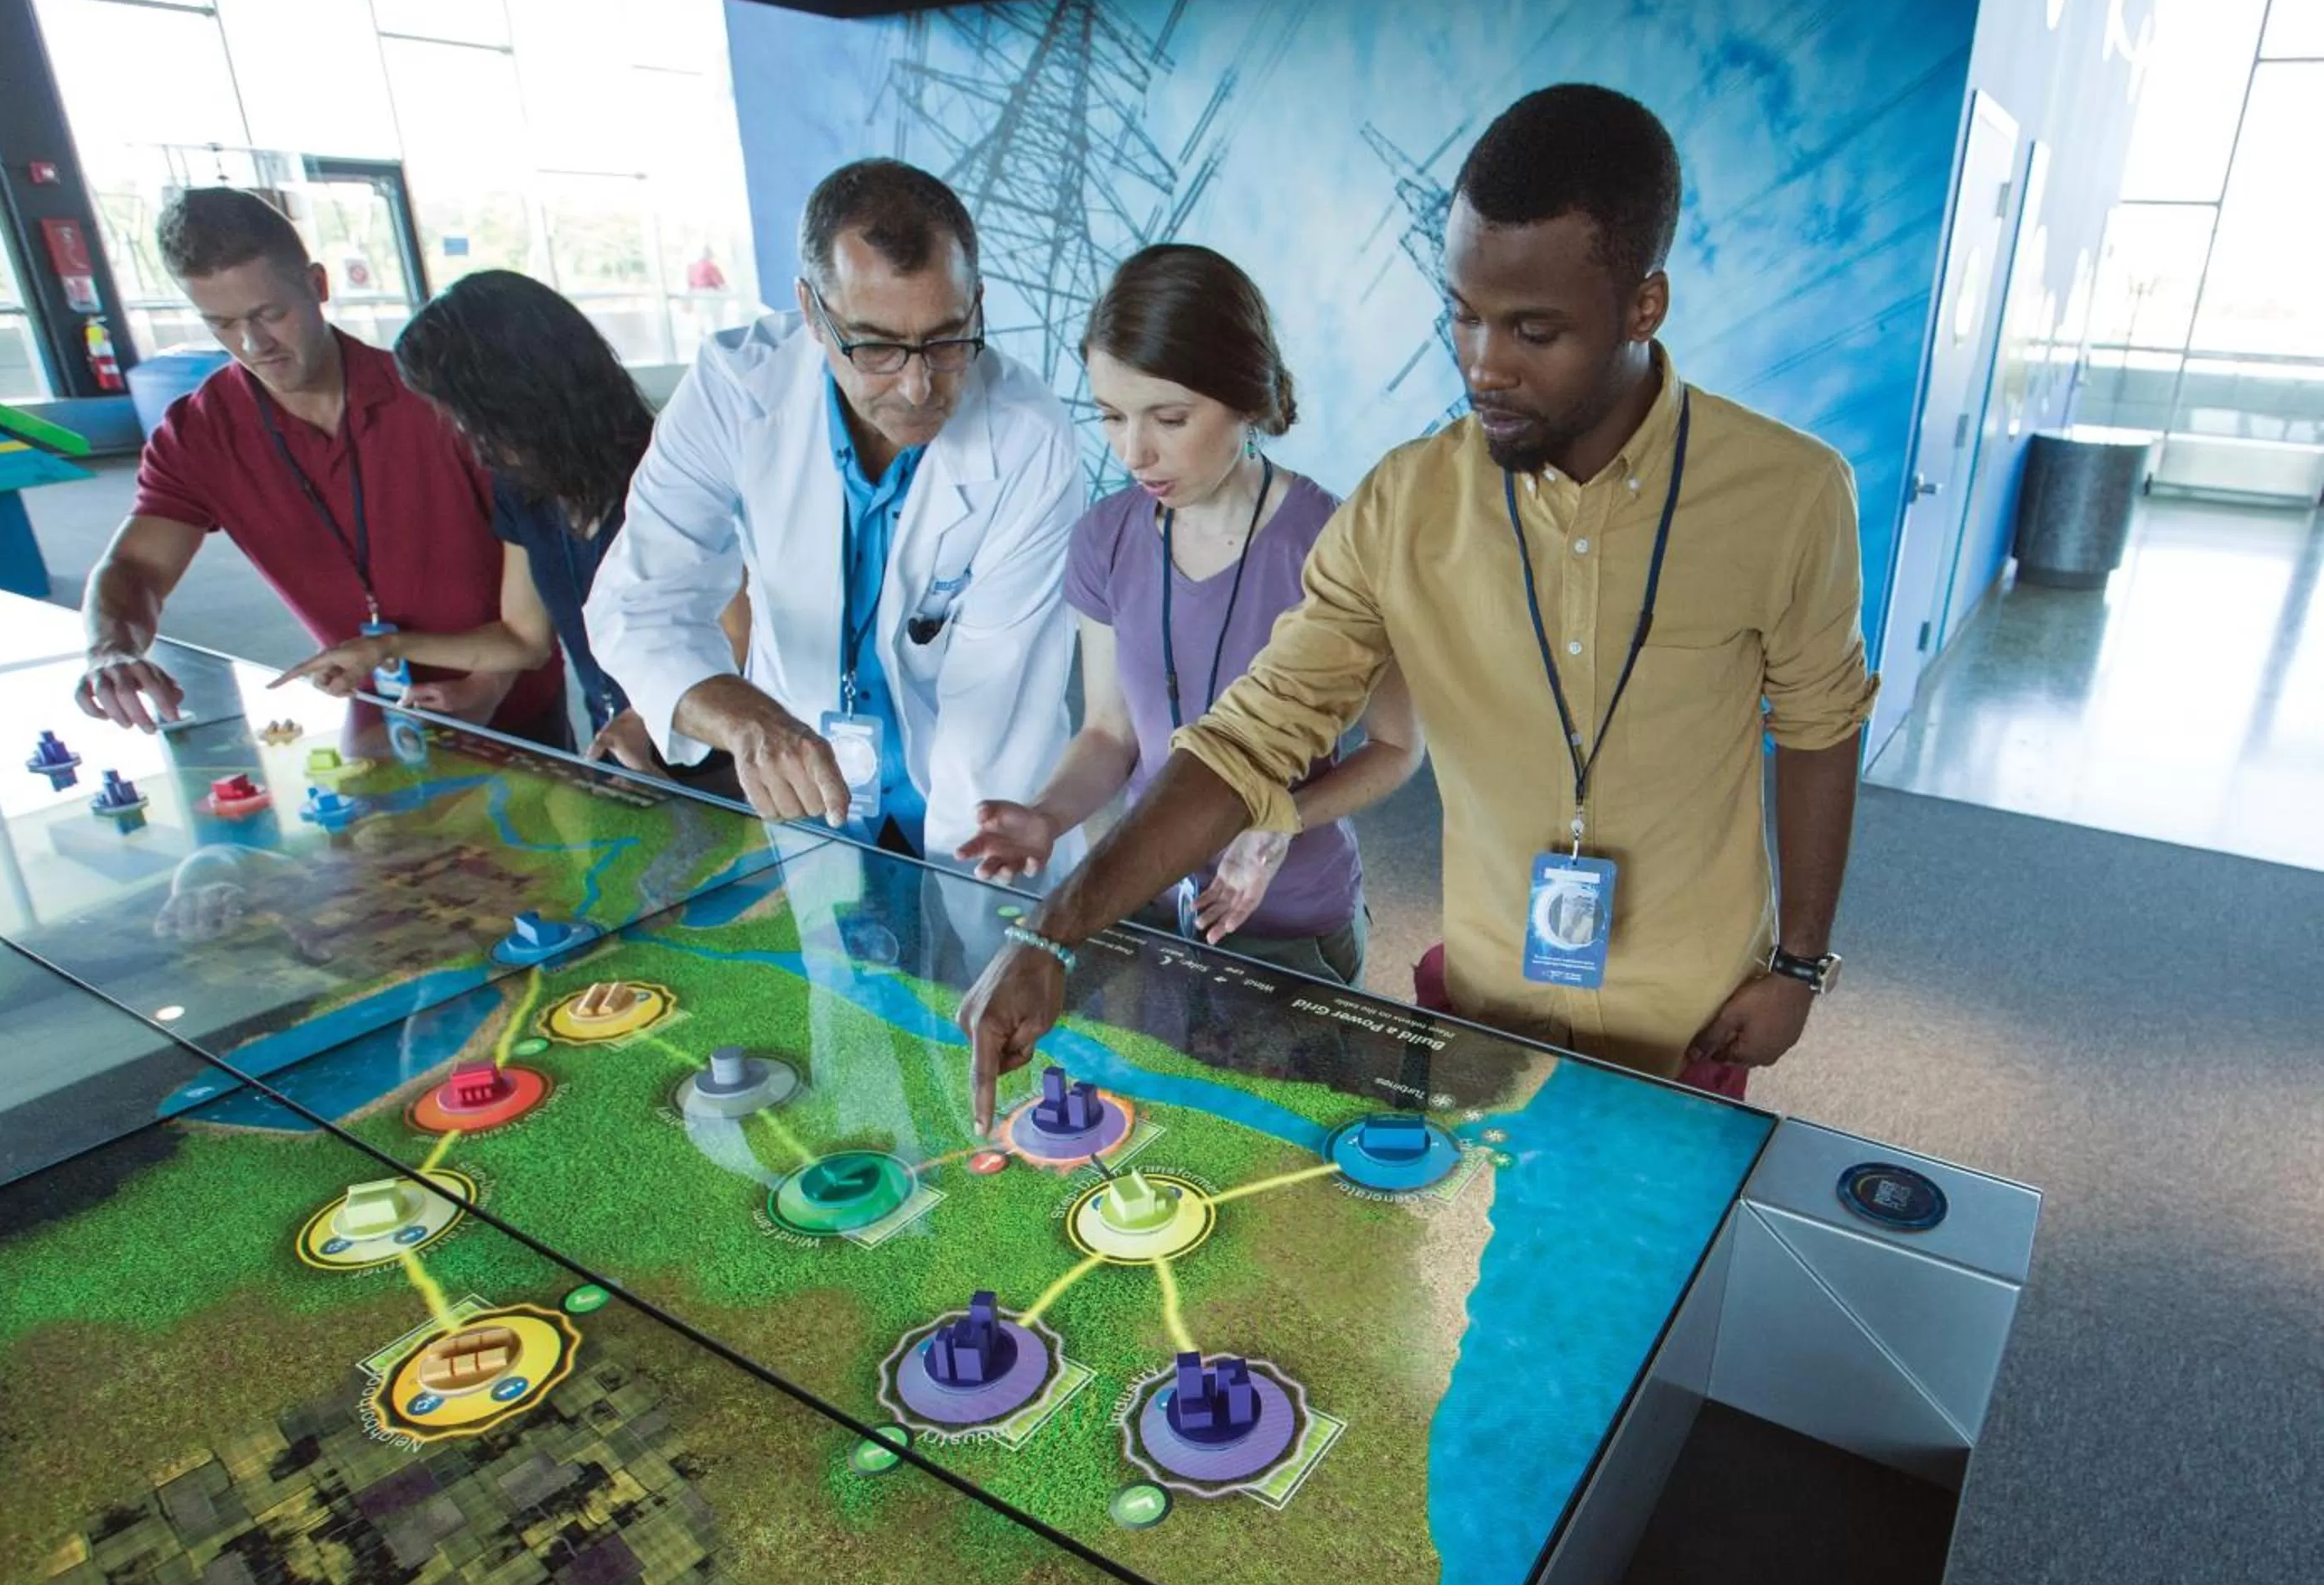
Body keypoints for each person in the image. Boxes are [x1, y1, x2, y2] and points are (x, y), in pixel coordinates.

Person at [961, 84, 1878, 1128]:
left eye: (1534, 330)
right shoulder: (1404, 505)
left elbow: (1818, 729)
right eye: (1462, 313)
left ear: (1643, 308)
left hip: (1694, 1006)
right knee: (1495, 1280)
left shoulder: (1791, 493)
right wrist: (1052, 935)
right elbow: (1248, 737)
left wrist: (1800, 965)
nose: (1484, 365)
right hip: (1489, 1001)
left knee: (1655, 1268)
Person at [584, 158, 1082, 860]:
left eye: (946, 340)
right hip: (810, 786)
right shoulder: (736, 391)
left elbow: (991, 724)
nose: (917, 387)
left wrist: (965, 906)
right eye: (876, 347)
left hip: (971, 801)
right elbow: (638, 604)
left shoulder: (1028, 438)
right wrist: (746, 721)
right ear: (813, 314)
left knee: (975, 954)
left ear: (978, 304)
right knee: (829, 956)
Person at [956, 245, 1424, 985]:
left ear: (1245, 397)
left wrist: (1277, 821)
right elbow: (1110, 732)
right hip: (1147, 900)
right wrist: (1047, 817)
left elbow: (1398, 748)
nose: (1134, 452)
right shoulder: (1105, 538)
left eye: (1169, 418)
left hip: (1293, 926)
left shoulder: (1336, 541)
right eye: (1111, 416)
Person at [72, 188, 565, 744]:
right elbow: (135, 568)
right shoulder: (198, 432)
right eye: (222, 324)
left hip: (513, 709)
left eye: (270, 314)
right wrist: (108, 649)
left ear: (317, 285)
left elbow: (537, 553)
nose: (254, 344)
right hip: (365, 714)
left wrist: (487, 685)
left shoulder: (443, 398)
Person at [268, 271, 749, 768]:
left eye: (464, 413)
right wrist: (386, 648)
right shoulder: (526, 493)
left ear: (519, 396)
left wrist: (648, 714)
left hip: (719, 756)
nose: (462, 433)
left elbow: (737, 638)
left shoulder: (671, 479)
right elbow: (524, 639)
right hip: (624, 754)